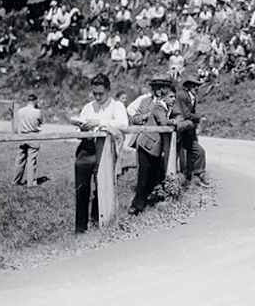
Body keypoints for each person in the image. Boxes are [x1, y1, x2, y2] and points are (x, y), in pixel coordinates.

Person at [72, 73, 129, 233]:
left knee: (102, 187)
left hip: (105, 150)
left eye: (100, 94)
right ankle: (80, 228)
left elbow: (123, 124)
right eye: (94, 93)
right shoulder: (88, 107)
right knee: (81, 188)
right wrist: (82, 129)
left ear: (108, 90)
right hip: (86, 149)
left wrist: (99, 122)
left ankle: (99, 222)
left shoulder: (117, 106)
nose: (97, 97)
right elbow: (78, 131)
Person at [127, 76, 178, 215]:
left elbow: (178, 116)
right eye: (156, 86)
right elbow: (135, 119)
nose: (159, 89)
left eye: (162, 86)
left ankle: (152, 198)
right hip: (146, 142)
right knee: (144, 173)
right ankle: (137, 205)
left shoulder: (170, 103)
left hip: (159, 145)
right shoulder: (145, 101)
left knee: (156, 174)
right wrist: (148, 116)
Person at [174, 75, 210, 186]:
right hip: (178, 130)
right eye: (194, 86)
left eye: (198, 86)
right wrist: (199, 117)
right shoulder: (182, 96)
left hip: (188, 130)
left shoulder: (192, 97)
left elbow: (190, 114)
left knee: (198, 152)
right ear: (188, 86)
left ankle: (196, 176)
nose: (197, 88)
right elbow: (186, 114)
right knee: (176, 155)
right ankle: (175, 180)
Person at [13, 94, 43, 186]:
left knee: (20, 160)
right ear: (35, 101)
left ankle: (16, 181)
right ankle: (31, 182)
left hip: (22, 136)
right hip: (33, 136)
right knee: (31, 160)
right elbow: (41, 122)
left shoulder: (20, 111)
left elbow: (17, 123)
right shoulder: (38, 112)